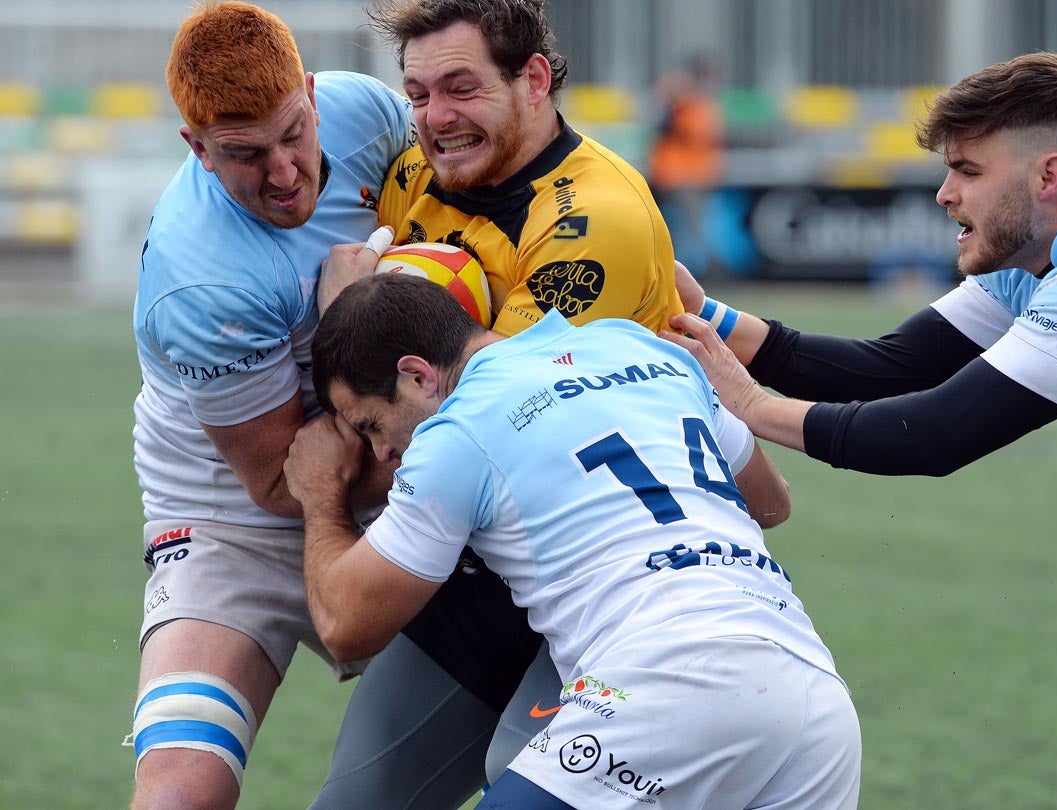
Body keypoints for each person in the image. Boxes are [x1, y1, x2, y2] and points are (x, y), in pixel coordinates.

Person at [660, 51, 1057, 803]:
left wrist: (750, 407)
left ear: (1047, 176)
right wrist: (704, 317)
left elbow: (934, 434)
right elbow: (893, 367)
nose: (943, 193)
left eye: (966, 169)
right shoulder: (1038, 249)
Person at [283, 271, 861, 809]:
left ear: (416, 376)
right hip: (815, 696)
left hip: (671, 680)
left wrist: (321, 492)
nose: (381, 453)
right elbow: (770, 502)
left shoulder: (456, 433)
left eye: (370, 425)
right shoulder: (638, 347)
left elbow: (345, 626)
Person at [308, 1, 685, 805]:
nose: (435, 119)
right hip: (476, 568)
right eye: (417, 95)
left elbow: (466, 425)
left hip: (596, 573)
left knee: (520, 778)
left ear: (534, 79)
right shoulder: (415, 172)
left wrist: (347, 313)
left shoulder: (592, 221)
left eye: (459, 88)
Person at [126, 3, 418, 808]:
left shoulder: (368, 112)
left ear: (314, 95)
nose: (284, 172)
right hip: (234, 515)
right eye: (244, 155)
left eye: (294, 133)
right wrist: (350, 330)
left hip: (400, 456)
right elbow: (284, 483)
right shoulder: (201, 281)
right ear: (198, 149)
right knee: (181, 791)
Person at [647, 54, 727, 278]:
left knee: (688, 228)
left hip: (689, 175)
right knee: (688, 229)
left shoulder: (695, 101)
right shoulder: (685, 98)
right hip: (681, 175)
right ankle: (687, 273)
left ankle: (687, 273)